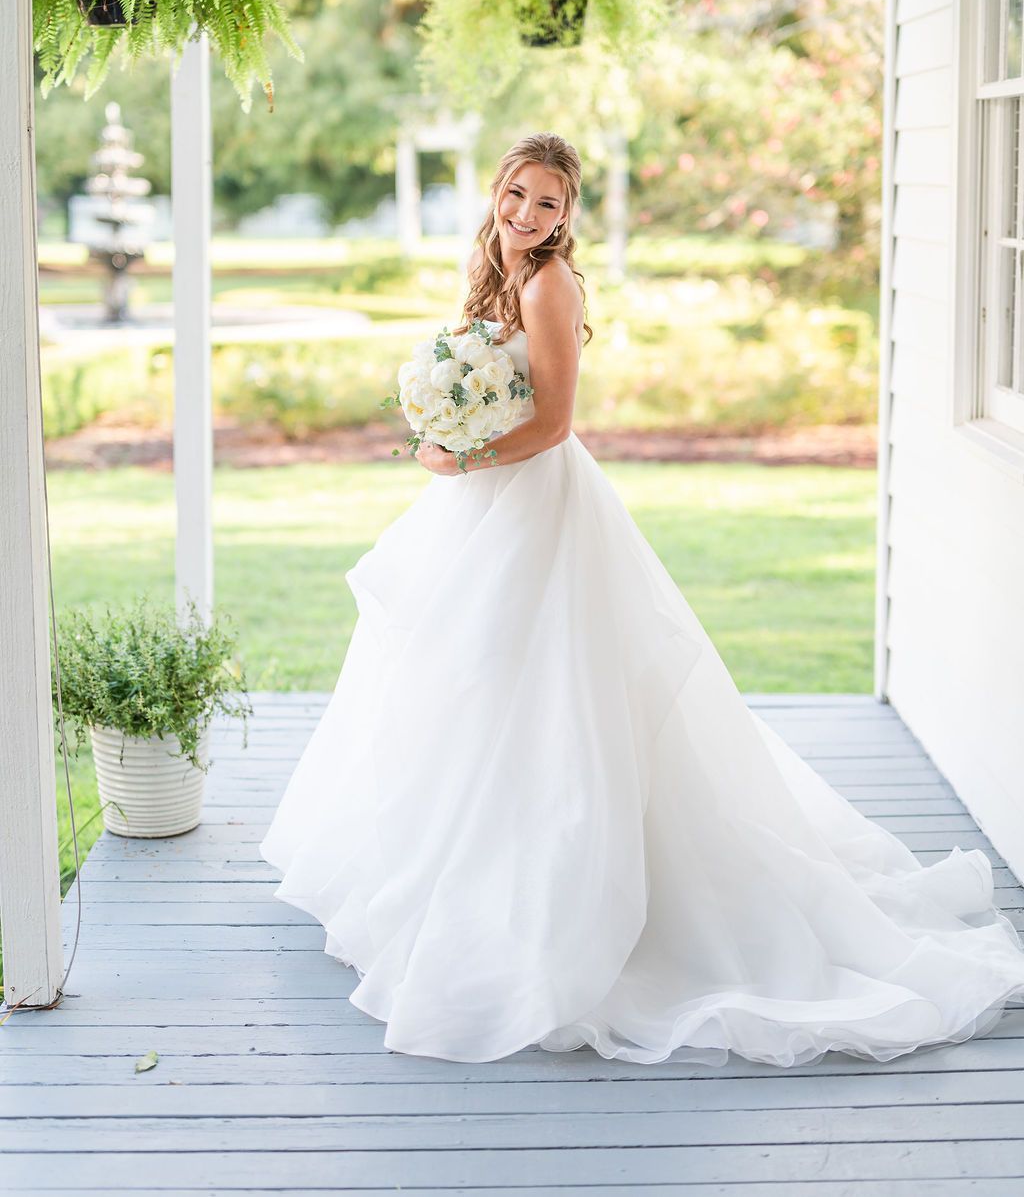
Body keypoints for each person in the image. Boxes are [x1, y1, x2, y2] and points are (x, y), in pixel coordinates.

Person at [259, 130, 1024, 1066]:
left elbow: (552, 421)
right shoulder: (494, 273)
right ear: (498, 192)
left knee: (552, 694)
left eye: (550, 203)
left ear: (568, 214)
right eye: (519, 195)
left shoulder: (549, 284)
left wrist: (455, 451)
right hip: (485, 504)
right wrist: (449, 426)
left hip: (535, 503)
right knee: (467, 681)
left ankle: (563, 900)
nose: (529, 215)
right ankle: (457, 874)